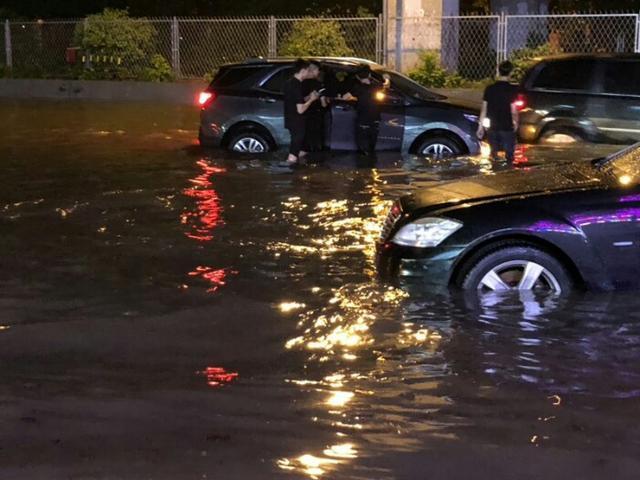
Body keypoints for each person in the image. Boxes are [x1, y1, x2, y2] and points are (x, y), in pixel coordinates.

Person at [477, 60, 519, 163]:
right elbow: (513, 111)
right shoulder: (512, 89)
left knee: (493, 157)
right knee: (509, 158)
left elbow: (484, 110)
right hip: (507, 128)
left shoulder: (490, 89)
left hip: (492, 129)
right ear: (511, 72)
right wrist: (516, 123)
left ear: (498, 71)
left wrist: (480, 128)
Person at [283, 59, 320, 165]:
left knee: (299, 149)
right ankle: (290, 173)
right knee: (294, 151)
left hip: (290, 119)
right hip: (297, 121)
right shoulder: (297, 85)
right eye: (308, 70)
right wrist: (312, 100)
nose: (309, 73)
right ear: (303, 70)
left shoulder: (289, 83)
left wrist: (308, 97)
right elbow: (300, 109)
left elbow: (296, 100)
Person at [342, 67, 382, 156]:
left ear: (358, 77)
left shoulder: (357, 88)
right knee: (372, 145)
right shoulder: (377, 86)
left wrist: (353, 98)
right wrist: (387, 78)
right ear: (369, 75)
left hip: (363, 120)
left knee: (363, 148)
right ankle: (371, 163)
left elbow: (344, 97)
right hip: (375, 120)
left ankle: (363, 164)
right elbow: (386, 84)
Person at [302, 61, 329, 152]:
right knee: (315, 142)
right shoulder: (318, 85)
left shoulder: (300, 82)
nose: (319, 72)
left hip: (304, 116)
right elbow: (323, 104)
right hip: (315, 117)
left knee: (305, 144)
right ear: (313, 70)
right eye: (318, 70)